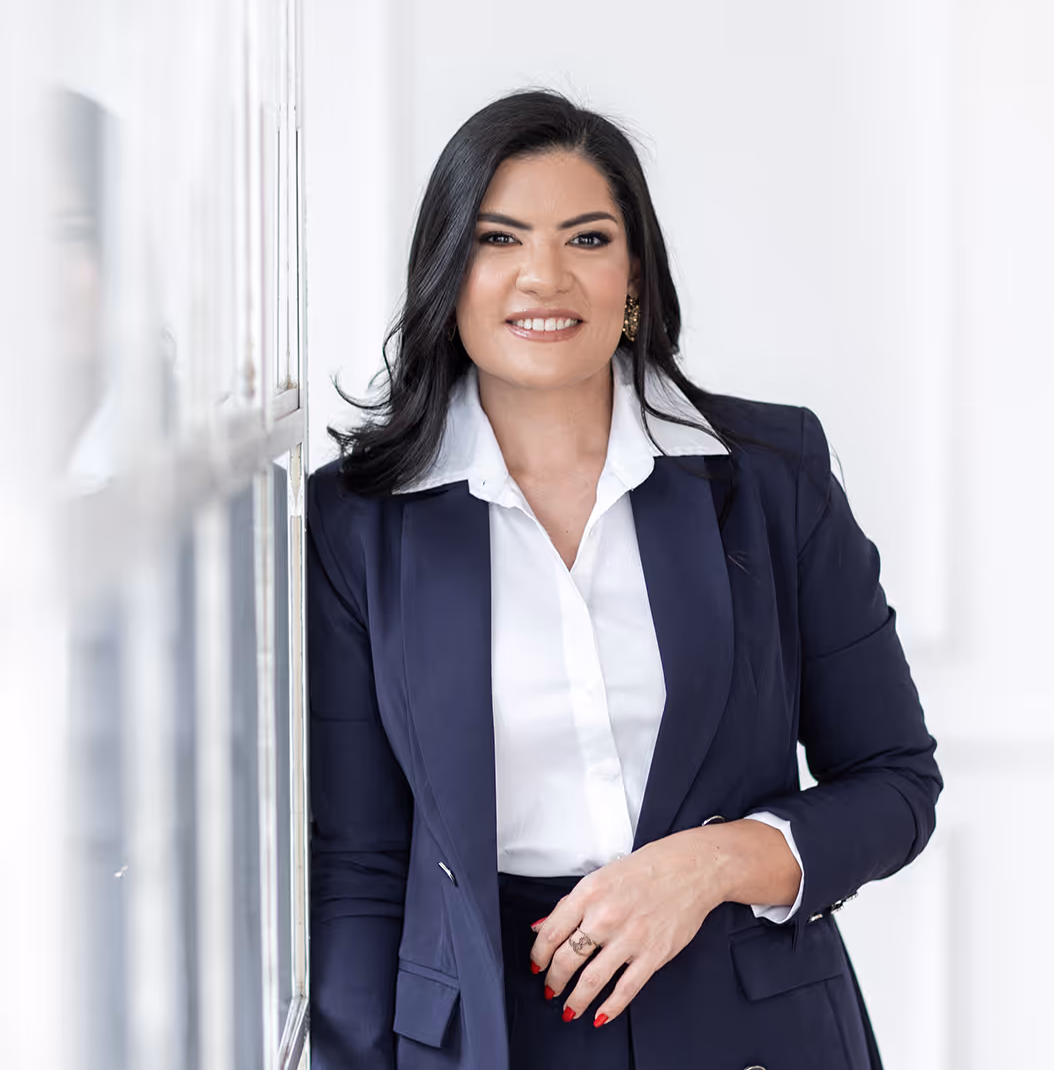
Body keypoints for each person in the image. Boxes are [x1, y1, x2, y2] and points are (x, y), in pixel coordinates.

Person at [307, 89, 942, 1070]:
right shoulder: (357, 523)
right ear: (447, 275)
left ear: (634, 274)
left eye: (588, 239)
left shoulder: (773, 473)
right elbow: (359, 868)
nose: (544, 277)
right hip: (490, 1033)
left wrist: (712, 864)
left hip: (752, 1024)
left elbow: (897, 784)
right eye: (499, 239)